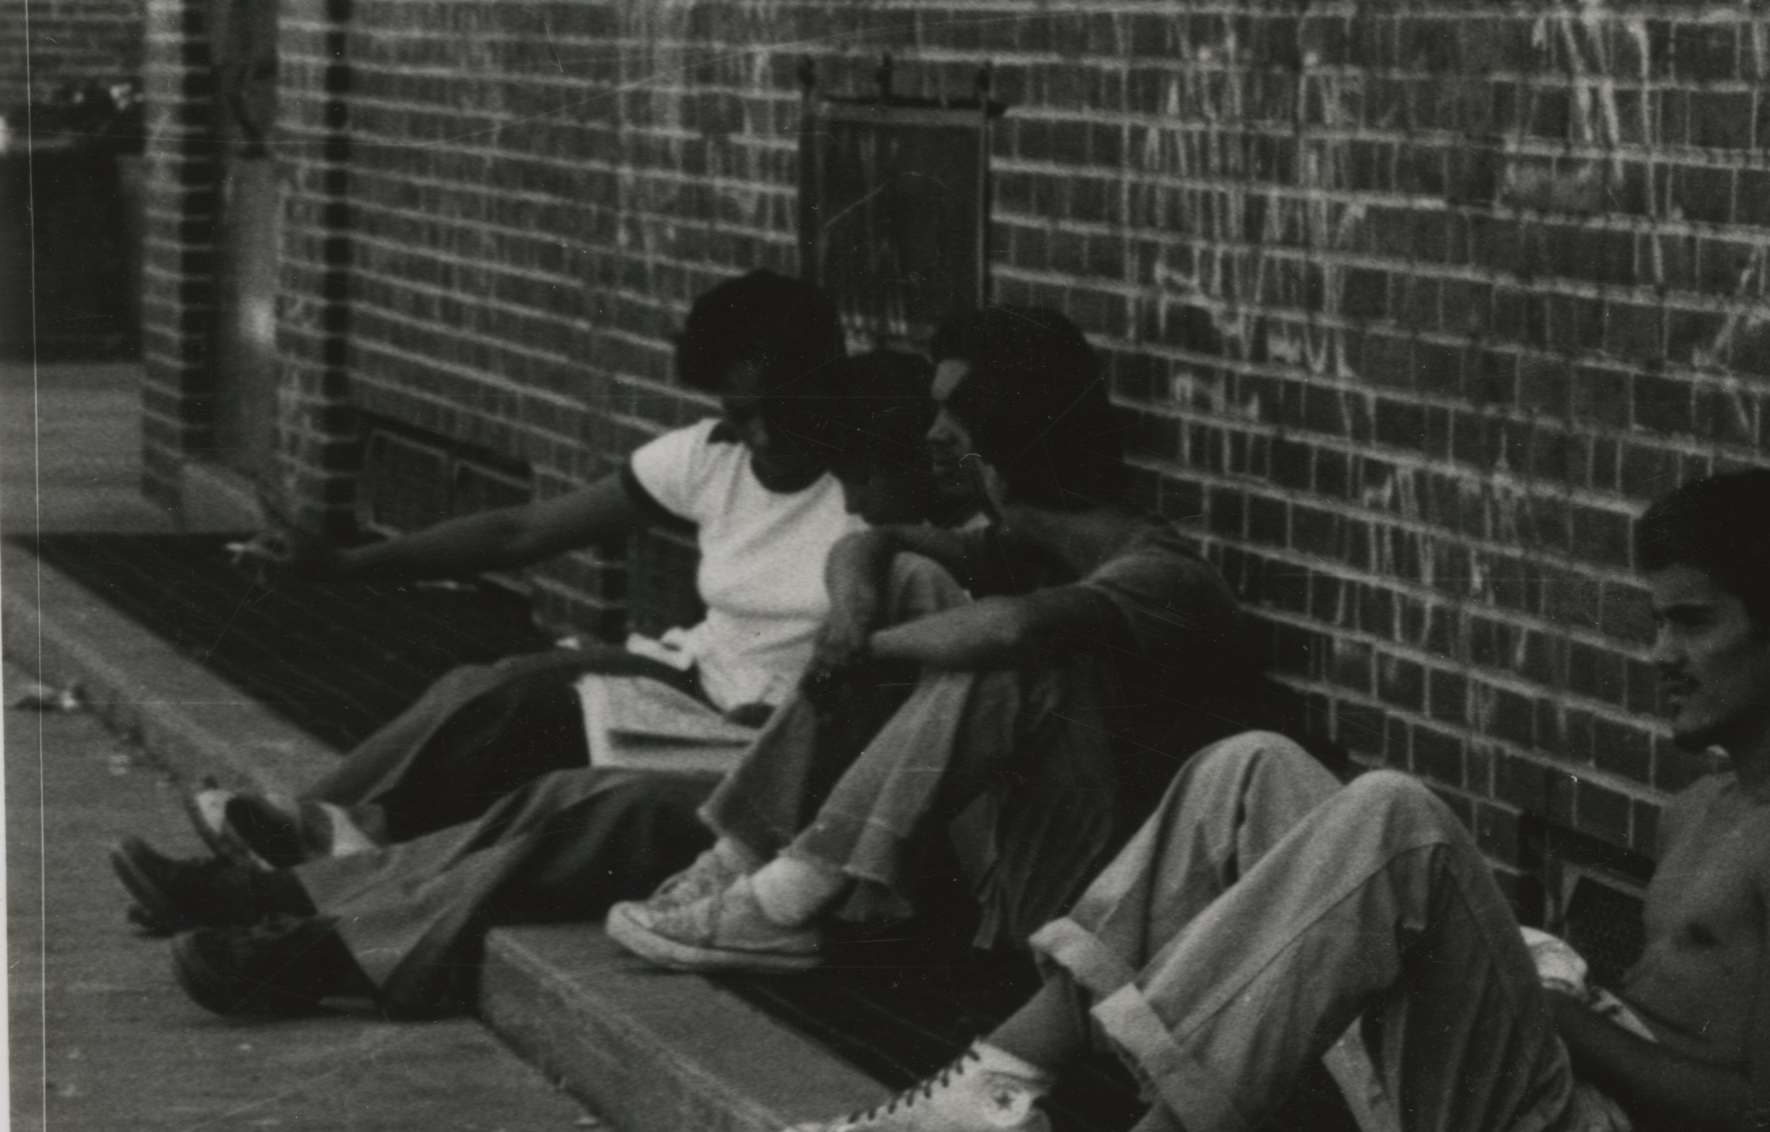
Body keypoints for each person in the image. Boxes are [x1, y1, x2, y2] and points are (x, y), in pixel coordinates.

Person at [769, 468, 1770, 1132]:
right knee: (1249, 765)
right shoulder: (1709, 801)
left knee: (1395, 815)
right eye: (1656, 619)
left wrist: (1556, 1015)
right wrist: (1553, 992)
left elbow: (1768, 1131)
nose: (1659, 653)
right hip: (1542, 1102)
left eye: (1692, 622)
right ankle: (1005, 1088)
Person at [115, 350, 949, 1021]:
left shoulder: (948, 567)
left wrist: (866, 570)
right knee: (511, 706)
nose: (856, 502)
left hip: (825, 805)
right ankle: (285, 874)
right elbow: (524, 529)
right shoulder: (845, 521)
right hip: (740, 726)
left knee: (585, 806)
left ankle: (327, 941)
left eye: (866, 482)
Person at [598, 313, 1260, 974]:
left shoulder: (1163, 573)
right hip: (1003, 862)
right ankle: (742, 860)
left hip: (1105, 900)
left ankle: (786, 900)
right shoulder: (1025, 550)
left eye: (953, 415)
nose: (932, 435)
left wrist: (870, 651)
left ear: (1011, 431)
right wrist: (852, 621)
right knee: (907, 578)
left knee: (1015, 665)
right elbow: (867, 544)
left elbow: (1013, 630)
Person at [170, 270, 858, 862]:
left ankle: (312, 845)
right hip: (696, 678)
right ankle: (301, 828)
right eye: (743, 413)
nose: (763, 435)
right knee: (493, 686)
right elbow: (517, 530)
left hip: (769, 722)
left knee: (523, 748)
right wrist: (344, 563)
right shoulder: (711, 457)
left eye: (786, 410)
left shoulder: (875, 483)